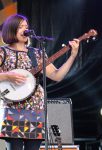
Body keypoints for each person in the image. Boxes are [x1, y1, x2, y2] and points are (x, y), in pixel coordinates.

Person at [0, 14, 79, 150]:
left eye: (26, 26)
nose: (25, 29)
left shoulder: (37, 53)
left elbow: (56, 75)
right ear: (11, 29)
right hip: (12, 108)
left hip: (35, 108)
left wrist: (72, 55)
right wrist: (7, 76)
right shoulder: (3, 52)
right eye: (20, 27)